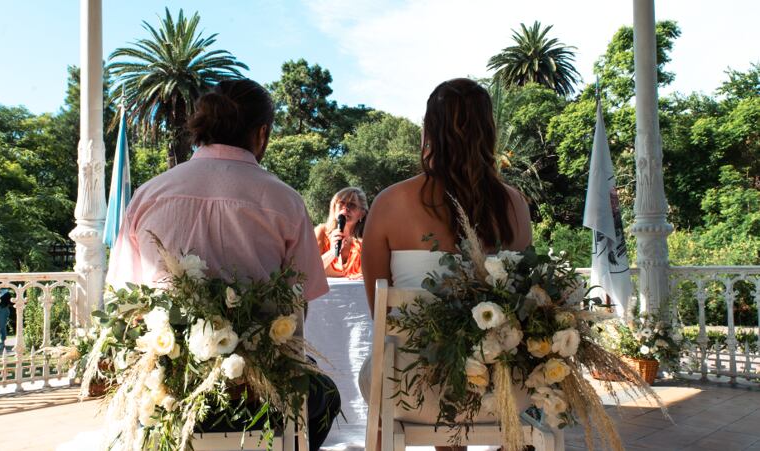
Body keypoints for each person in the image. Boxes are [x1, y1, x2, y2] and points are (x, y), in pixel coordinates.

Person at [106, 79, 339, 451]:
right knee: (326, 396)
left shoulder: (147, 195)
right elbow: (298, 309)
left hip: (169, 395)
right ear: (261, 133)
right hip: (260, 400)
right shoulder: (286, 202)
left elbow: (124, 301)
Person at [359, 78, 532, 450]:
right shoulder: (514, 205)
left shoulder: (390, 203)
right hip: (504, 392)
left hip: (410, 390)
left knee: (390, 364)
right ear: (489, 132)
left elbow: (380, 313)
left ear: (428, 131)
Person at [314, 187, 368, 279]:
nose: (345, 208)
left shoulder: (368, 239)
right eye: (341, 203)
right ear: (334, 208)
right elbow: (309, 269)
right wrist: (332, 252)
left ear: (361, 214)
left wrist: (367, 276)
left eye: (352, 205)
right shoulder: (321, 232)